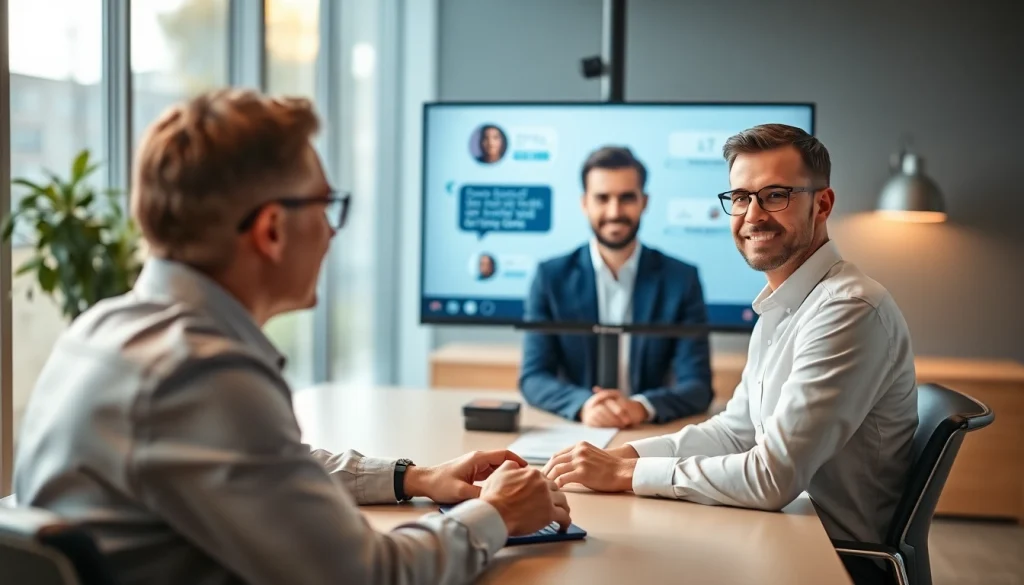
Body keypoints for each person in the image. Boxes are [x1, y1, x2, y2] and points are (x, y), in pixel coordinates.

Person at [12, 89, 571, 585]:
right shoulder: (200, 372)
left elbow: (268, 468)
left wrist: (415, 478)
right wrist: (495, 515)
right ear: (272, 229)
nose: (331, 231)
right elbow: (370, 576)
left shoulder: (105, 330)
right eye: (326, 206)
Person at [541, 125, 918, 585]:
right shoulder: (782, 305)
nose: (753, 215)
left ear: (822, 204)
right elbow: (735, 431)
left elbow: (770, 478)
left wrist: (627, 474)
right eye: (741, 197)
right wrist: (623, 455)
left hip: (833, 562)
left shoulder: (848, 309)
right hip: (781, 534)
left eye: (775, 195)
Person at [519, 146, 713, 428]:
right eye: (602, 198)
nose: (614, 211)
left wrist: (641, 407)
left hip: (647, 431)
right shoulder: (550, 277)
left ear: (644, 202)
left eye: (626, 198)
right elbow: (533, 377)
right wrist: (584, 405)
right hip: (576, 430)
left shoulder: (681, 279)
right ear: (584, 203)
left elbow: (697, 385)